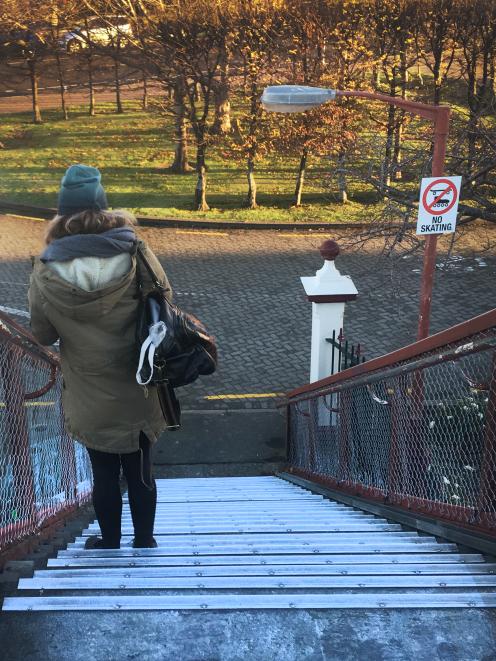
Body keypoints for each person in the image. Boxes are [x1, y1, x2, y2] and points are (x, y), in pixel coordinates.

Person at [28, 164, 172, 550]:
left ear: (62, 214)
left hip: (88, 386)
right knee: (141, 469)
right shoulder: (135, 251)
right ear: (104, 207)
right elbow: (164, 299)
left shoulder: (45, 270)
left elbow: (43, 334)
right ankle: (145, 541)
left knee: (103, 470)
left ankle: (109, 541)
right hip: (138, 380)